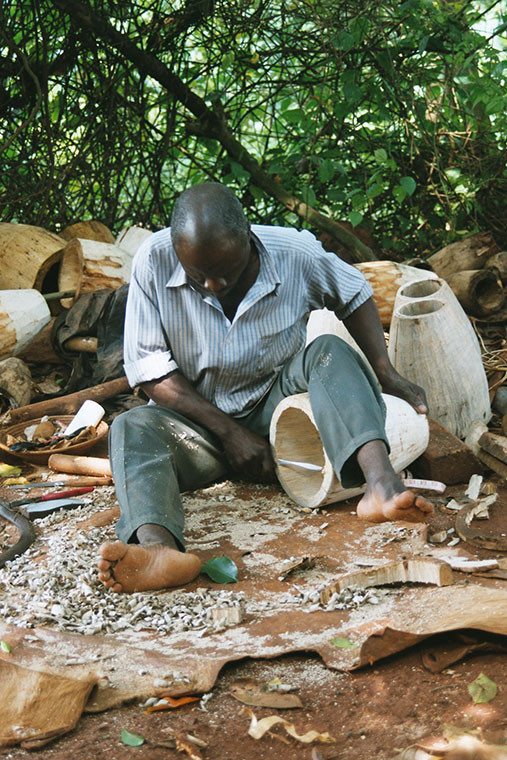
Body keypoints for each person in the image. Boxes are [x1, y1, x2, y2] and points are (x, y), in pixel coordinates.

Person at [97, 182, 433, 594]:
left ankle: (381, 486)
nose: (214, 286)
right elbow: (149, 371)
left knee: (328, 350)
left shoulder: (295, 253)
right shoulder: (153, 259)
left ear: (249, 240)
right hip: (199, 424)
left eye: (227, 273)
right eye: (198, 276)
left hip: (280, 400)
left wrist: (386, 372)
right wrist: (229, 432)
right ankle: (158, 550)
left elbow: (355, 292)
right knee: (131, 427)